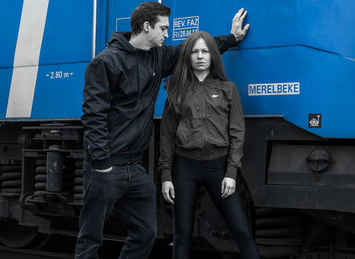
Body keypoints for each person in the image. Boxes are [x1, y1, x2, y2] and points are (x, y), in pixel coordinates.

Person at [77, 1, 250, 258]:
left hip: (134, 167)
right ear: (147, 27)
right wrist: (102, 164)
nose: (167, 34)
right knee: (91, 237)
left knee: (145, 233)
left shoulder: (158, 57)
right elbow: (93, 116)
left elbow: (190, 50)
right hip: (106, 165)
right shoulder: (105, 62)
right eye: (164, 28)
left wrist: (232, 38)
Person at [158, 30, 259, 259]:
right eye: (194, 52)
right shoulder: (177, 90)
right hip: (185, 167)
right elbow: (166, 134)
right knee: (182, 235)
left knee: (242, 231)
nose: (200, 56)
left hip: (219, 168)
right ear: (188, 57)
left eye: (205, 51)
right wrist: (166, 176)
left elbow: (237, 131)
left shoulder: (227, 88)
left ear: (213, 55)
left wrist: (231, 172)